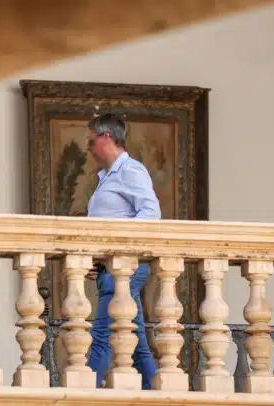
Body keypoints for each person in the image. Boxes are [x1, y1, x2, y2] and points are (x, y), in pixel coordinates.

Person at [84, 113, 159, 390]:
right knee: (137, 344)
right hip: (111, 269)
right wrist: (97, 259)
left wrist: (122, 249)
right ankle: (160, 394)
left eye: (91, 141)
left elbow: (151, 214)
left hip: (124, 268)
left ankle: (84, 395)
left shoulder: (130, 171)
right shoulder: (106, 177)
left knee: (102, 336)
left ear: (106, 137)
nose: (89, 148)